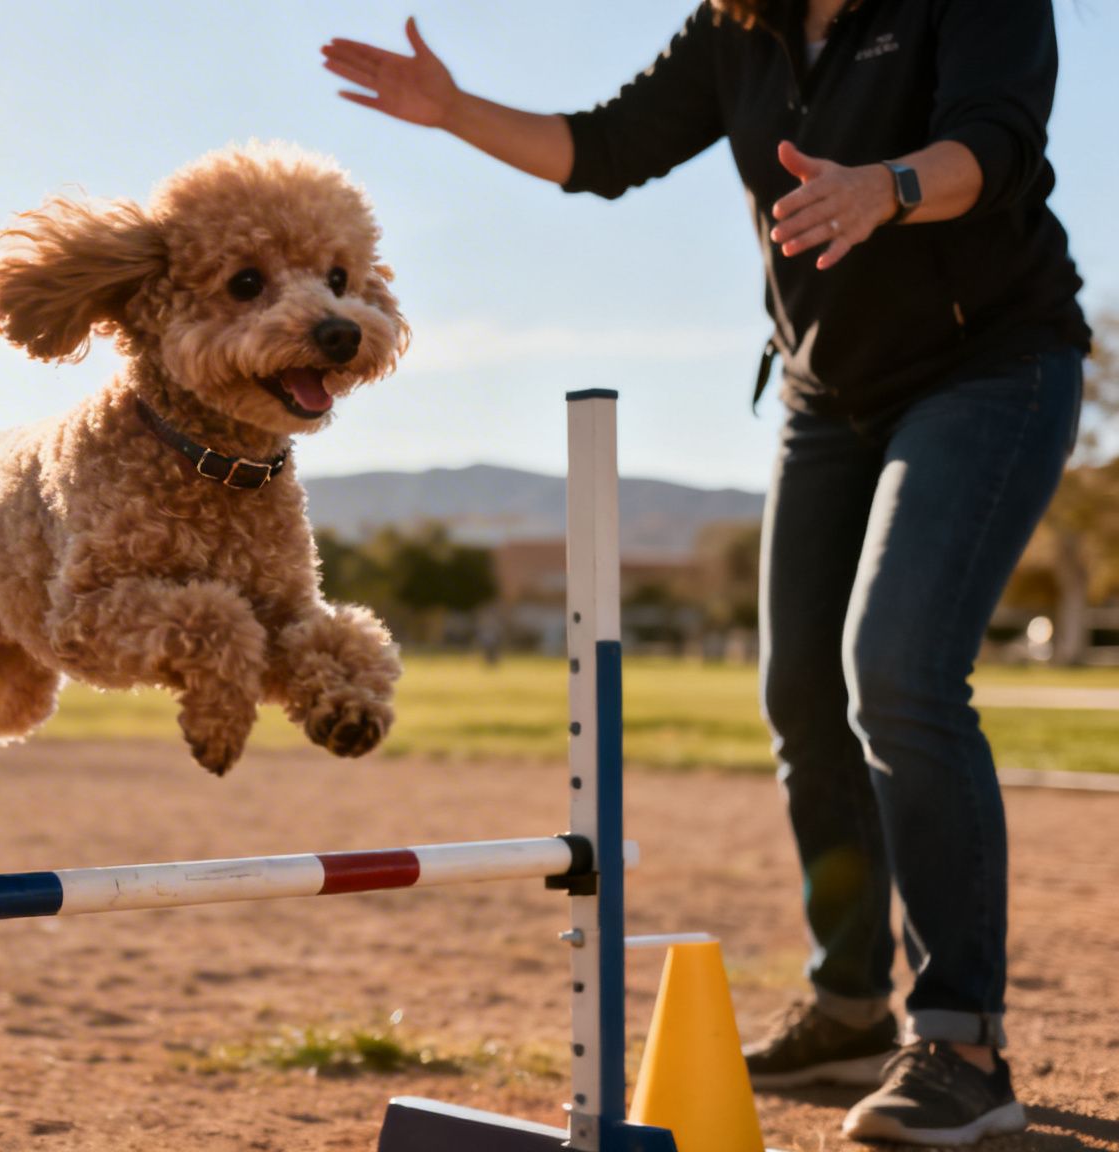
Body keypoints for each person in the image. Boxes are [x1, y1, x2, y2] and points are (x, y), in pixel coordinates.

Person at [324, 3, 1088, 1145]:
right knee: (797, 696)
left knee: (896, 672)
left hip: (990, 367)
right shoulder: (736, 27)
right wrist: (453, 111)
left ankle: (960, 1044)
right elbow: (605, 150)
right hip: (825, 396)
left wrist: (886, 185)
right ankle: (844, 1011)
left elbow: (994, 141)